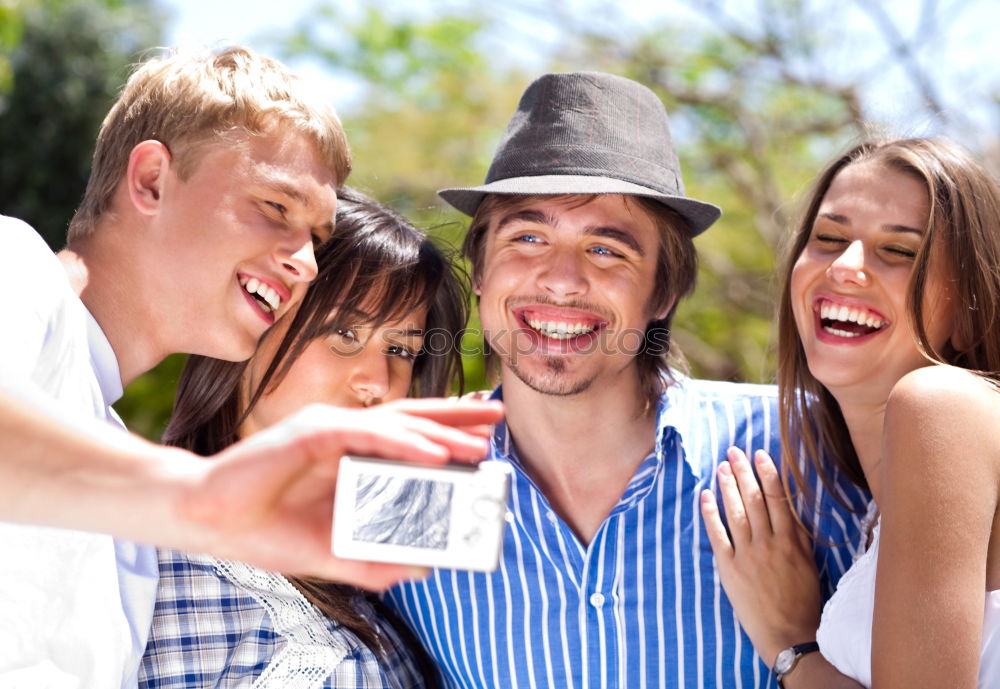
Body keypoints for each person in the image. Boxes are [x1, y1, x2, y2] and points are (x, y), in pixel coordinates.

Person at [0, 45, 500, 688]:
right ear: (151, 179)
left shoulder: (126, 513)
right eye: (276, 208)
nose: (306, 263)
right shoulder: (18, 269)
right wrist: (204, 500)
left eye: (316, 238)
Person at [383, 71, 869, 688]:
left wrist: (794, 647)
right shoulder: (413, 477)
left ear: (663, 290)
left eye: (606, 250)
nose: (560, 280)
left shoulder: (803, 445)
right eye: (527, 237)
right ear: (479, 272)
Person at [699, 136, 1000, 688]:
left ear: (969, 308)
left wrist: (789, 643)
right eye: (829, 238)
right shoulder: (874, 509)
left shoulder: (942, 405)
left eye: (900, 251)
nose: (845, 266)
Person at [138, 187, 467, 688]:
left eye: (400, 349)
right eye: (345, 335)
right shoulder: (139, 560)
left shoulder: (400, 542)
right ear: (256, 321)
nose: (377, 382)